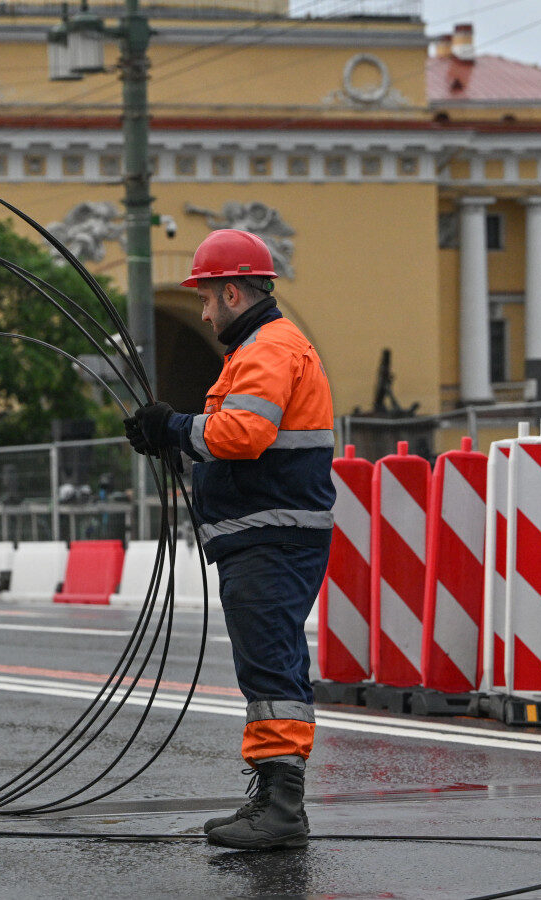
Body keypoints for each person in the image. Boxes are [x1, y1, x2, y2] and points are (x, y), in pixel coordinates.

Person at [124, 228, 333, 851]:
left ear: (235, 291)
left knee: (271, 667)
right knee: (270, 663)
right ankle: (274, 798)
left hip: (272, 536)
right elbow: (230, 434)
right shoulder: (262, 347)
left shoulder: (269, 347)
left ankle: (281, 810)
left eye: (209, 298)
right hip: (266, 535)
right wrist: (173, 434)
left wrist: (175, 425)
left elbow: (241, 433)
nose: (206, 310)